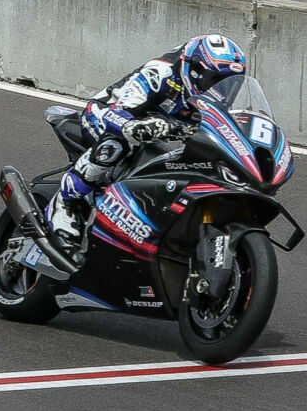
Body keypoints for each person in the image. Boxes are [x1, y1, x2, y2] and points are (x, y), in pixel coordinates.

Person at [40, 35, 249, 262]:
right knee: (119, 144)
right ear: (195, 70)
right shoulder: (160, 73)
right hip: (108, 116)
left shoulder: (218, 101)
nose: (222, 88)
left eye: (230, 82)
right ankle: (65, 203)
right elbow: (118, 112)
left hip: (162, 137)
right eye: (216, 79)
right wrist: (136, 126)